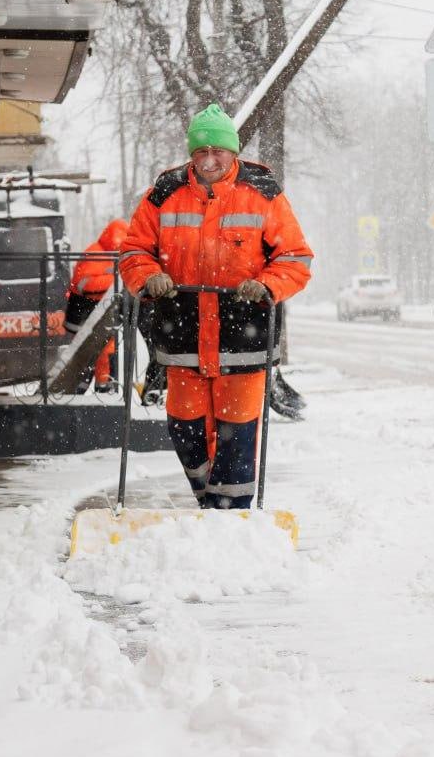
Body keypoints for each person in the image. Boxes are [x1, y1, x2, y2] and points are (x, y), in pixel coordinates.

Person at [119, 104, 314, 509]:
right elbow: (134, 250)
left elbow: (295, 258)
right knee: (184, 427)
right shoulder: (164, 193)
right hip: (183, 334)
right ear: (191, 154)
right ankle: (208, 499)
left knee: (237, 433)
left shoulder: (263, 194)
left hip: (243, 336)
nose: (209, 160)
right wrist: (147, 276)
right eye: (200, 151)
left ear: (234, 153)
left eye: (218, 152)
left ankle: (232, 518)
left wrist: (265, 284)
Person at [64, 218, 129, 392]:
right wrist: (116, 281)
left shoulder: (114, 255)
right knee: (88, 356)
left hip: (100, 315)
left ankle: (104, 388)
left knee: (104, 352)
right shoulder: (95, 253)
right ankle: (86, 389)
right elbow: (82, 284)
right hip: (84, 315)